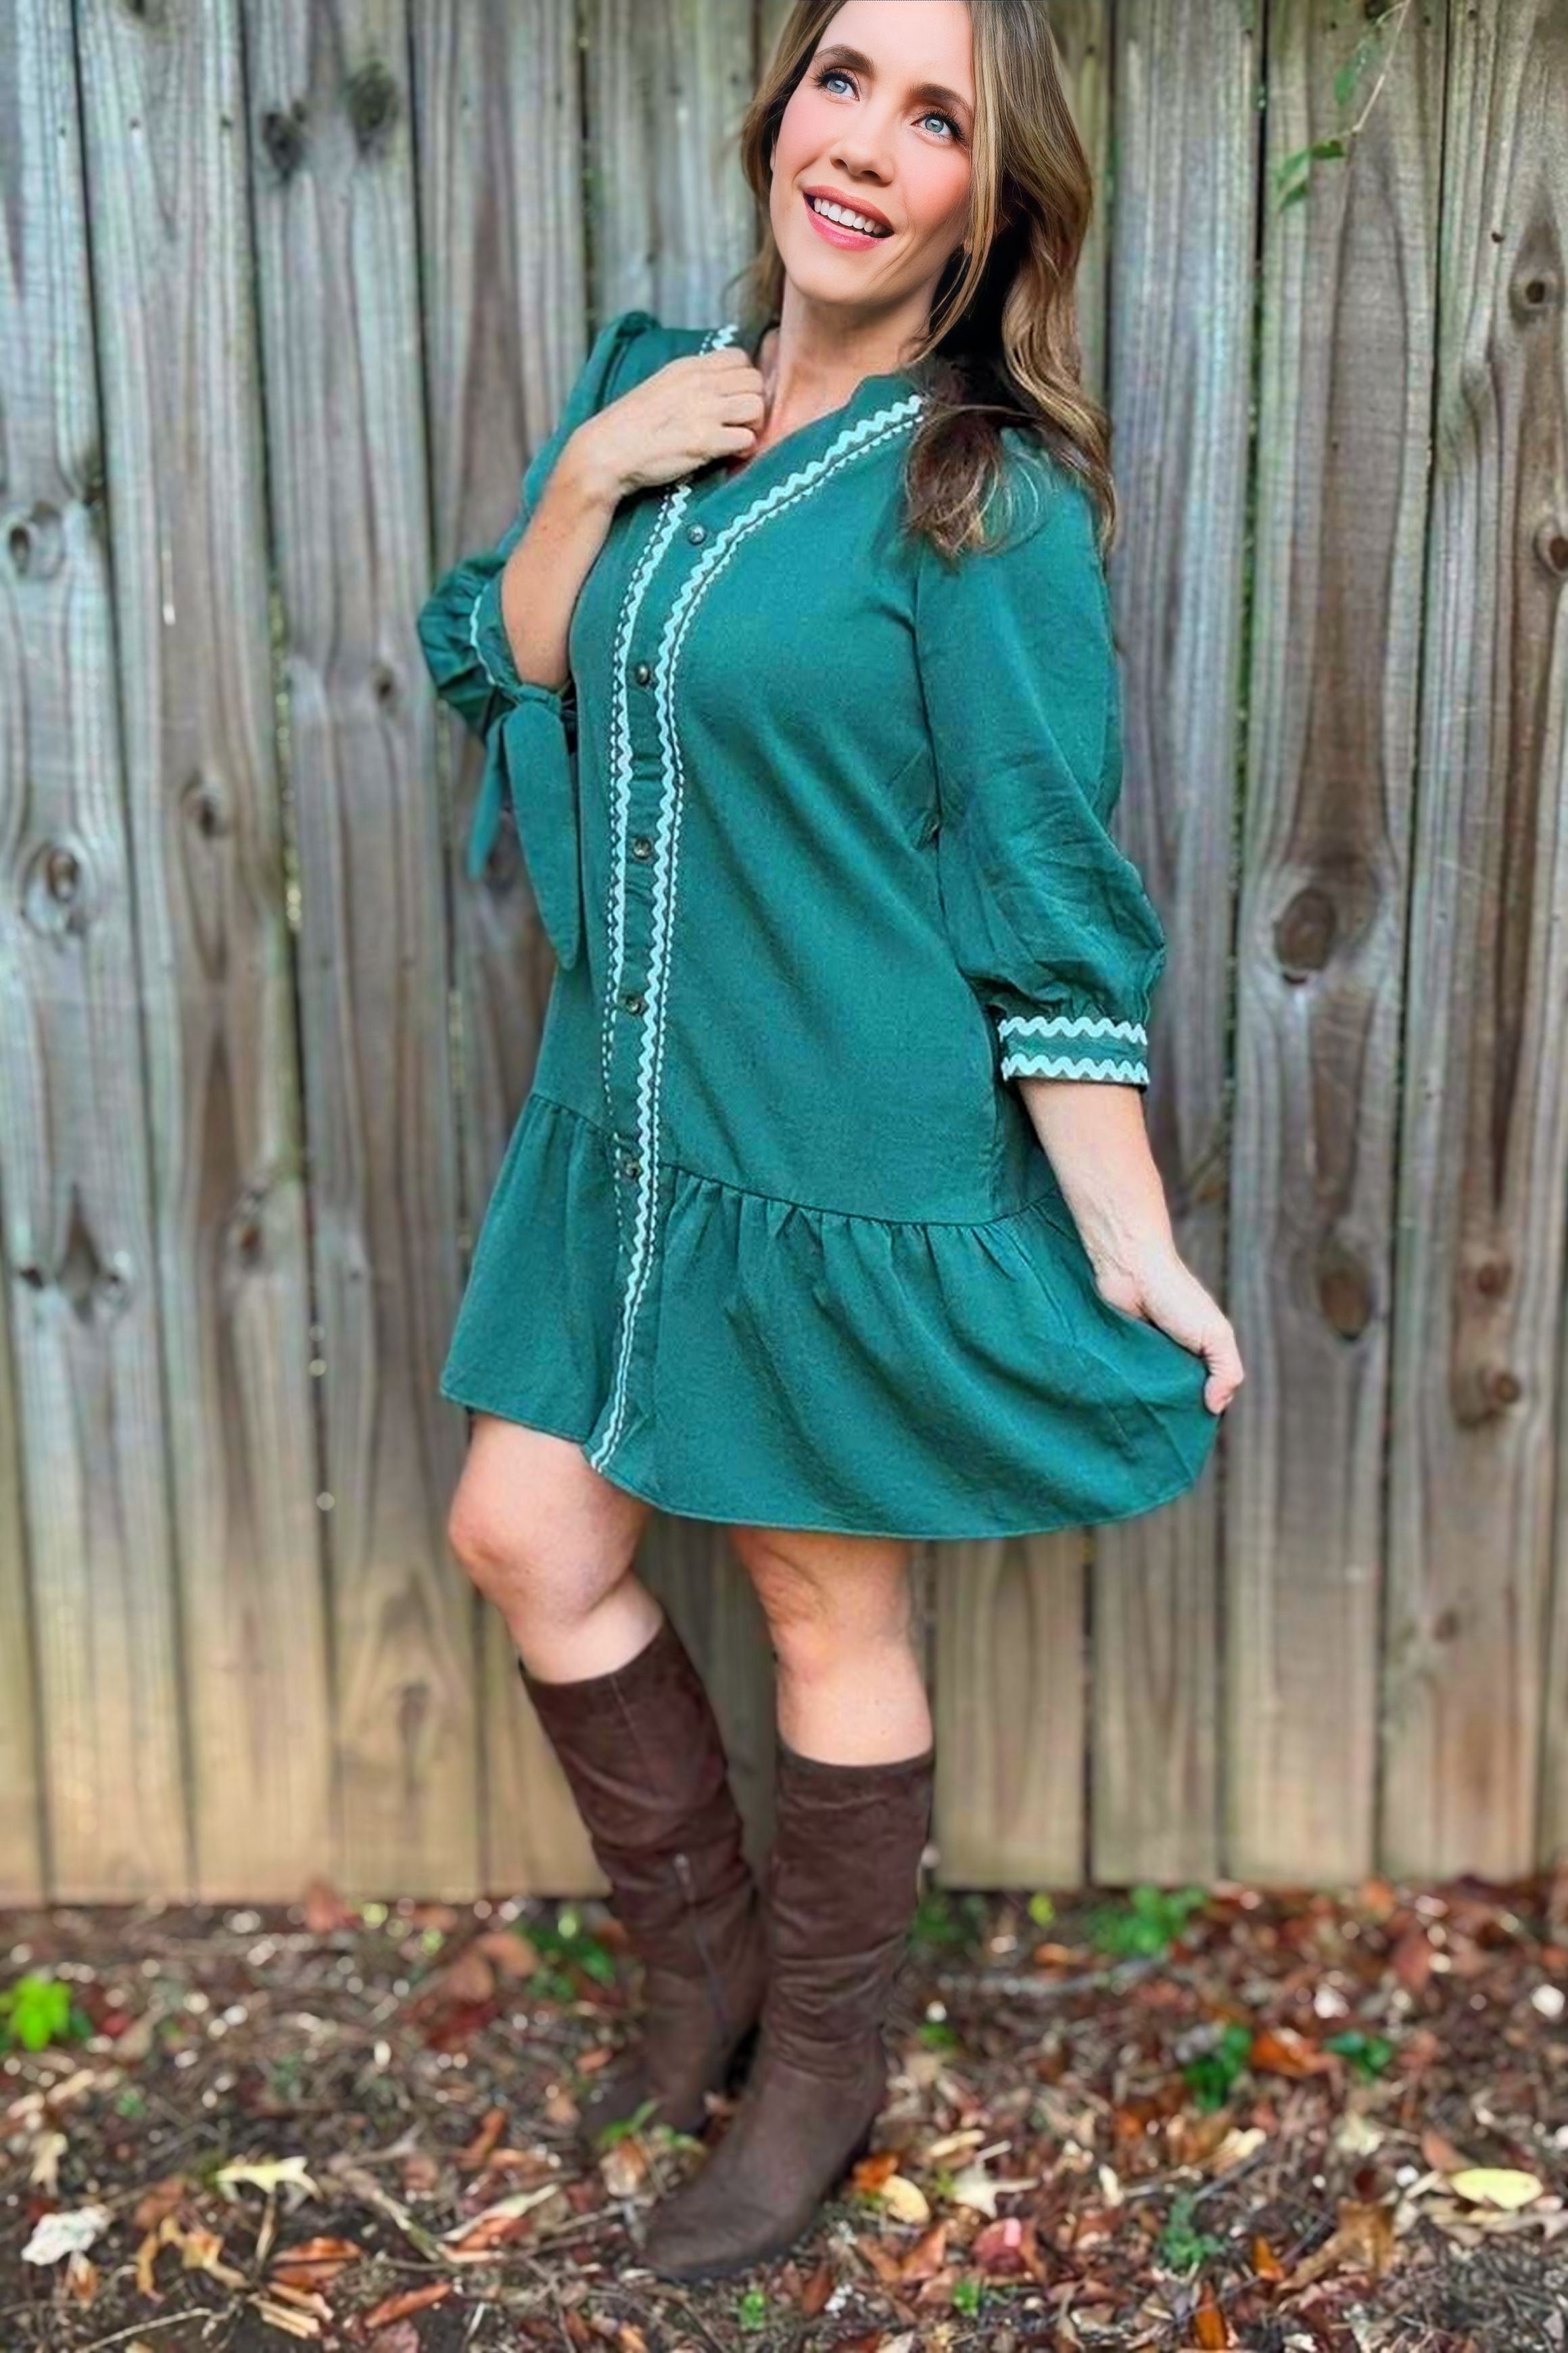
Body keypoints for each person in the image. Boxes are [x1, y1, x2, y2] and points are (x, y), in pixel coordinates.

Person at [417, 0, 1244, 2284]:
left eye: (938, 117)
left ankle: (816, 2075)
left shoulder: (983, 493)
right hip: (624, 1118)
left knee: (818, 1598)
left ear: (988, 199)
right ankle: (705, 1969)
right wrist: (588, 480)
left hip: (833, 1145)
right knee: (522, 1531)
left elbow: (1040, 874)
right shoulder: (655, 390)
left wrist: (1126, 1227)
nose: (868, 143)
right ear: (782, 107)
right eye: (846, 81)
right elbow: (507, 661)